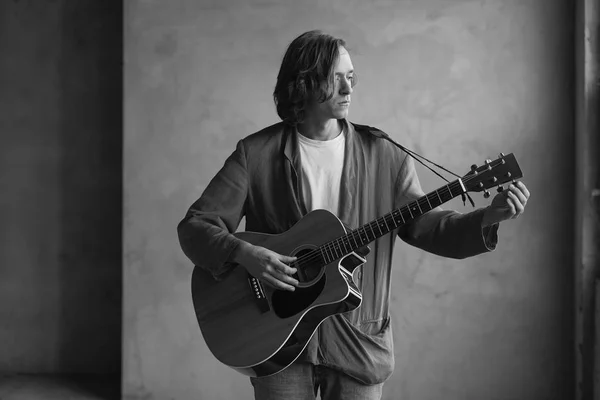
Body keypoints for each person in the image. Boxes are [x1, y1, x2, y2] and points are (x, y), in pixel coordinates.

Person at [177, 30, 530, 400]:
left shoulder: (386, 155)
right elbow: (196, 226)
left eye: (352, 78)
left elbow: (426, 227)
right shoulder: (256, 154)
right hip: (277, 343)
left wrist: (487, 219)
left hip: (359, 341)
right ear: (304, 83)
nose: (348, 89)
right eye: (336, 78)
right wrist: (244, 253)